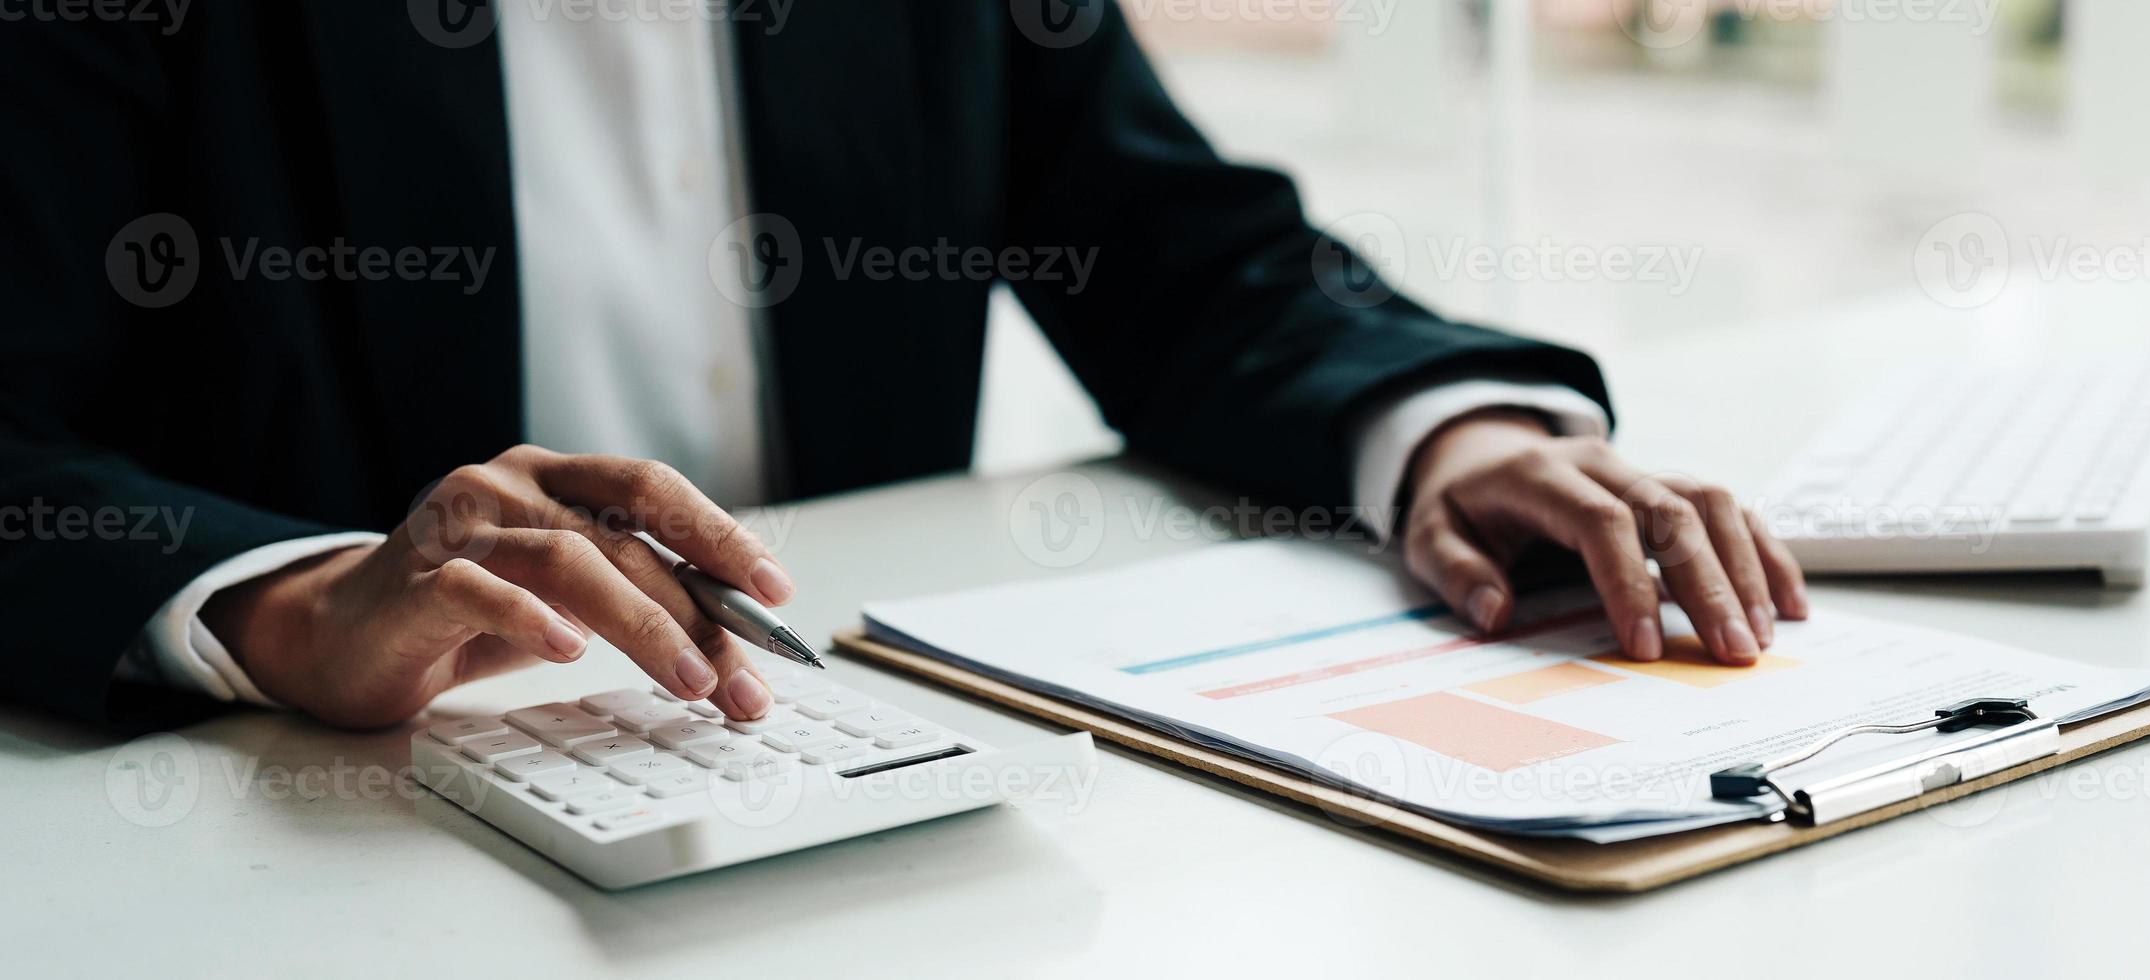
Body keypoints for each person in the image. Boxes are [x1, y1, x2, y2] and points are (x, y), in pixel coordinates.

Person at [0, 2, 1804, 731]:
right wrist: (293, 601)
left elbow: (1180, 254)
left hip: (846, 773)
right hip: (330, 826)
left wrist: (1446, 427)